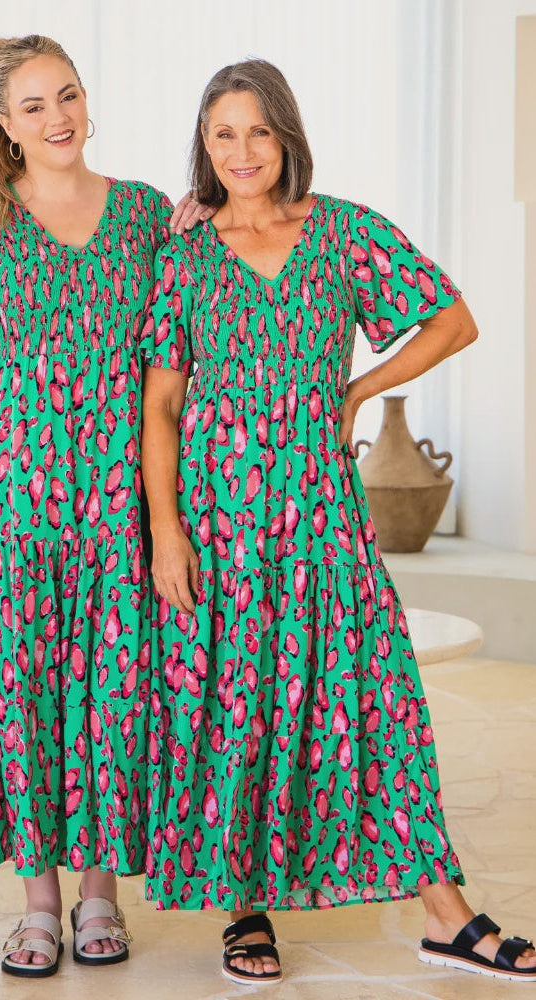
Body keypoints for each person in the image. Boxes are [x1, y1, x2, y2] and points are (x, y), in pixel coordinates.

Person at [140, 58, 536, 987]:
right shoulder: (183, 255)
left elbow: (453, 321)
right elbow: (160, 405)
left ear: (287, 137)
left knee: (374, 699)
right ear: (204, 144)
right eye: (223, 133)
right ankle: (242, 907)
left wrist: (357, 389)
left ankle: (445, 916)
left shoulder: (343, 231)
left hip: (320, 513)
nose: (242, 151)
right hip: (218, 519)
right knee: (233, 707)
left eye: (258, 131)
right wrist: (166, 533)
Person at [0, 33, 208, 978]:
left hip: (112, 496)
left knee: (115, 688)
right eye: (33, 105)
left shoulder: (147, 213)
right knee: (23, 691)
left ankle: (100, 895)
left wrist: (211, 216)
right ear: (4, 124)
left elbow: (187, 328)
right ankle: (38, 904)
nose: (58, 117)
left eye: (67, 95)